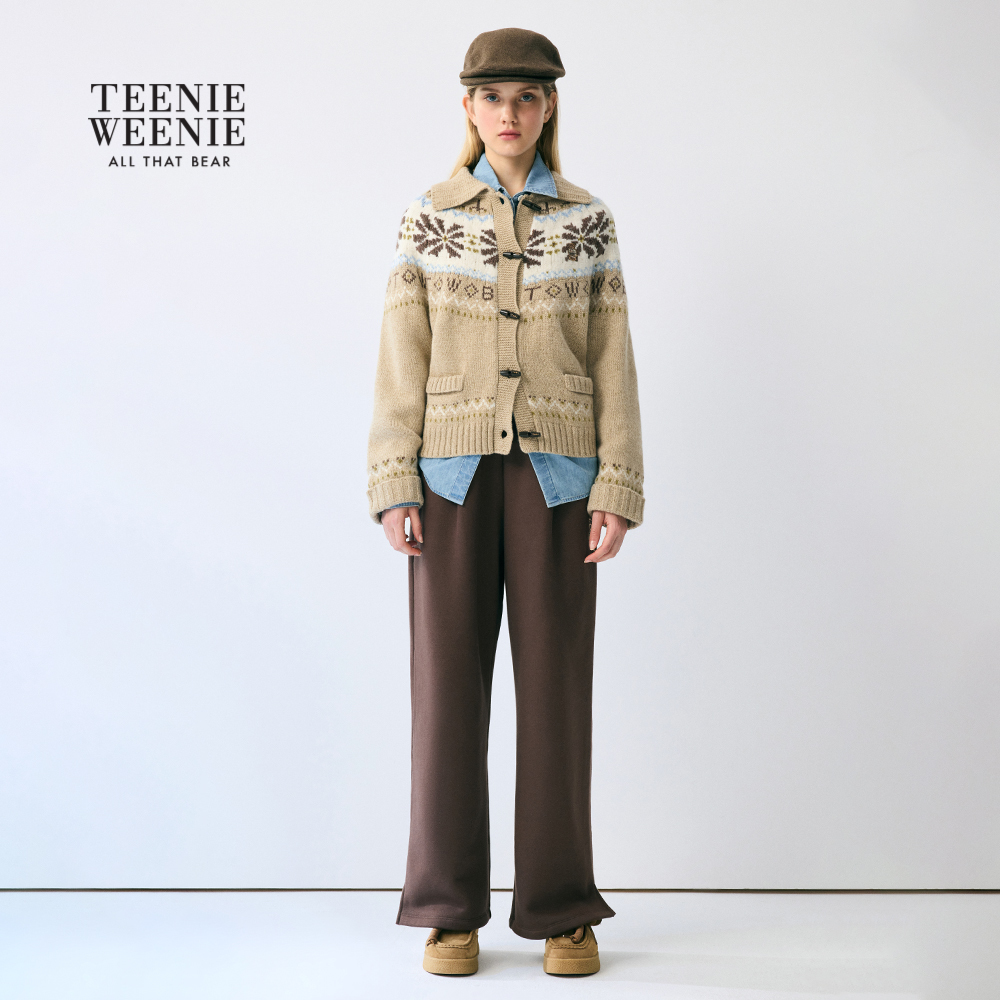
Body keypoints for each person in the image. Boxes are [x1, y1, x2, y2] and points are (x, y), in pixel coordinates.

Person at [365, 26, 644, 977]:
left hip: (561, 479)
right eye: (493, 97)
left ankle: (563, 908)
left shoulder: (588, 221)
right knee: (447, 695)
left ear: (549, 104)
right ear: (469, 107)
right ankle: (449, 910)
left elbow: (613, 357)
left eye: (527, 96)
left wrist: (617, 482)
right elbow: (401, 353)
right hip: (450, 478)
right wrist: (393, 478)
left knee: (557, 693)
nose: (510, 113)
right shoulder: (429, 216)